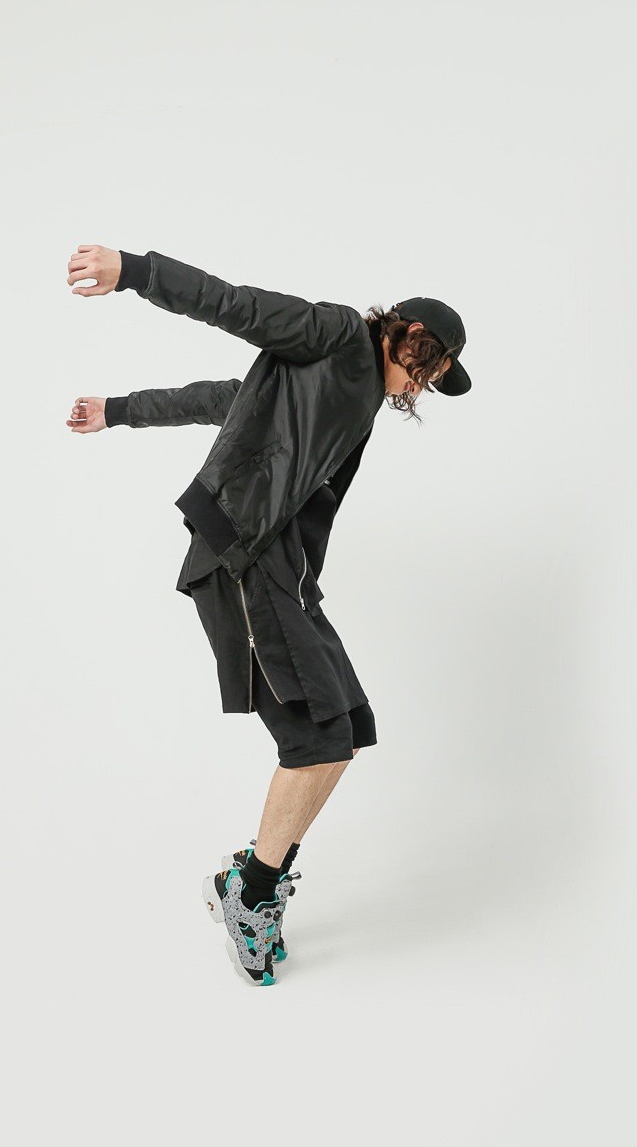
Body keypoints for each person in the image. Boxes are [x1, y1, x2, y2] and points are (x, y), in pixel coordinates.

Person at [65, 245, 471, 985]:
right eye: (430, 362)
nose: (427, 380)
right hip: (243, 554)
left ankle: (249, 879)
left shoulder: (357, 402)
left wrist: (121, 410)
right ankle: (250, 897)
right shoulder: (337, 334)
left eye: (437, 377)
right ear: (407, 333)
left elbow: (230, 398)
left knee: (346, 727)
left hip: (286, 572)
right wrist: (135, 271)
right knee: (315, 738)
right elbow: (235, 304)